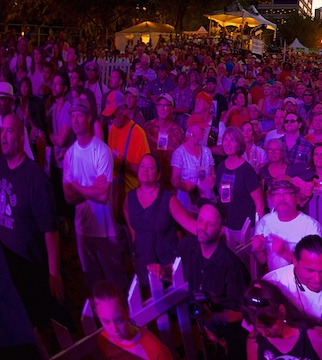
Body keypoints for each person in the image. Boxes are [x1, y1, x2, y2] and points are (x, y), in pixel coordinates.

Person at [0, 113, 64, 329]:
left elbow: (50, 229)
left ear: (20, 138)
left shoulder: (35, 177)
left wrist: (54, 273)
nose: (3, 136)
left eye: (9, 131)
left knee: (37, 323)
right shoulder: (1, 166)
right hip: (7, 263)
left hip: (31, 267)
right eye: (2, 131)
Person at [62, 97, 128, 294]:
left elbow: (102, 195)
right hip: (82, 228)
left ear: (89, 118)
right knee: (92, 281)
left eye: (79, 116)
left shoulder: (101, 151)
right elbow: (68, 198)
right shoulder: (70, 154)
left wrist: (77, 186)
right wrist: (91, 187)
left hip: (104, 229)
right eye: (72, 116)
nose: (74, 120)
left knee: (116, 281)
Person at [177, 202, 251, 359]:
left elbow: (241, 312)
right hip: (205, 335)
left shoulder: (232, 266)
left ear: (220, 230)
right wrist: (164, 271)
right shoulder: (190, 247)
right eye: (200, 220)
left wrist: (214, 317)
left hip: (229, 340)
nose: (202, 227)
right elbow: (176, 268)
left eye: (210, 223)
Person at [125, 153, 197, 284]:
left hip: (168, 268)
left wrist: (213, 229)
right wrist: (134, 235)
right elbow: (126, 211)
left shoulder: (168, 199)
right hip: (144, 265)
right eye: (142, 166)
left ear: (158, 175)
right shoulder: (130, 198)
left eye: (151, 167)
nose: (145, 169)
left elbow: (190, 225)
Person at [243, 280, 322, 360]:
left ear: (282, 311)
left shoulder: (314, 336)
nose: (264, 333)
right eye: (258, 327)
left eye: (268, 326)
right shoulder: (255, 341)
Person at [252, 179, 322, 272]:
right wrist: (258, 249)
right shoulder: (265, 221)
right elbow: (262, 260)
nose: (281, 198)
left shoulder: (311, 226)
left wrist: (284, 252)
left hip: (302, 282)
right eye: (276, 194)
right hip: (275, 280)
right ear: (272, 200)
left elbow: (315, 267)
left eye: (286, 193)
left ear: (296, 198)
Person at [92, 279, 172, 360]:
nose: (114, 329)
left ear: (127, 312)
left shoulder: (153, 348)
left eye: (119, 320)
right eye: (106, 321)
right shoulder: (104, 340)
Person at [216, 127, 264, 245]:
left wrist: (259, 231)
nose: (228, 143)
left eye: (232, 140)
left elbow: (259, 203)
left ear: (239, 144)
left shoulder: (246, 170)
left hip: (246, 227)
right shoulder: (221, 167)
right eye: (225, 139)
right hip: (227, 225)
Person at [171, 122, 215, 214]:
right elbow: (174, 180)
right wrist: (184, 186)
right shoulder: (179, 153)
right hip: (186, 202)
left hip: (205, 201)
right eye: (201, 128)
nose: (204, 131)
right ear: (191, 130)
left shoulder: (207, 151)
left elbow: (213, 174)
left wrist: (212, 178)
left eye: (204, 129)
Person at [142, 93, 184, 186]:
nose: (162, 108)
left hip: (169, 182)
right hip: (149, 180)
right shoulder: (148, 127)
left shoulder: (179, 132)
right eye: (160, 105)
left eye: (166, 105)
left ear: (172, 108)